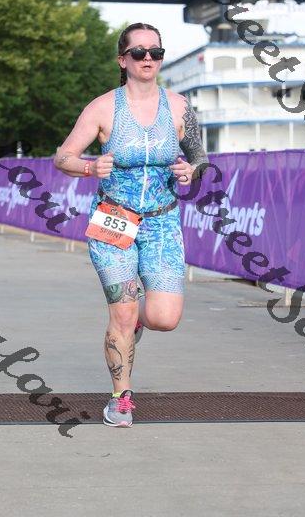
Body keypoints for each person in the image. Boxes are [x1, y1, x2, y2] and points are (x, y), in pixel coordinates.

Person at [54, 23, 207, 427]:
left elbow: (200, 158)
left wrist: (192, 170)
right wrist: (89, 167)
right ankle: (120, 398)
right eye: (138, 52)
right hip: (114, 221)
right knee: (121, 315)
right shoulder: (103, 108)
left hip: (162, 222)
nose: (147, 59)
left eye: (155, 52)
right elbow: (63, 157)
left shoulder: (180, 107)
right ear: (123, 60)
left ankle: (138, 319)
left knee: (164, 318)